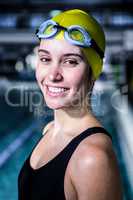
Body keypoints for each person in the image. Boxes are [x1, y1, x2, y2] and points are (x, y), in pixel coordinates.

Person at [18, 9, 123, 200]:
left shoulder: (92, 158)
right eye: (45, 59)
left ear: (93, 72)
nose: (52, 75)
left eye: (70, 61)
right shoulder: (50, 130)